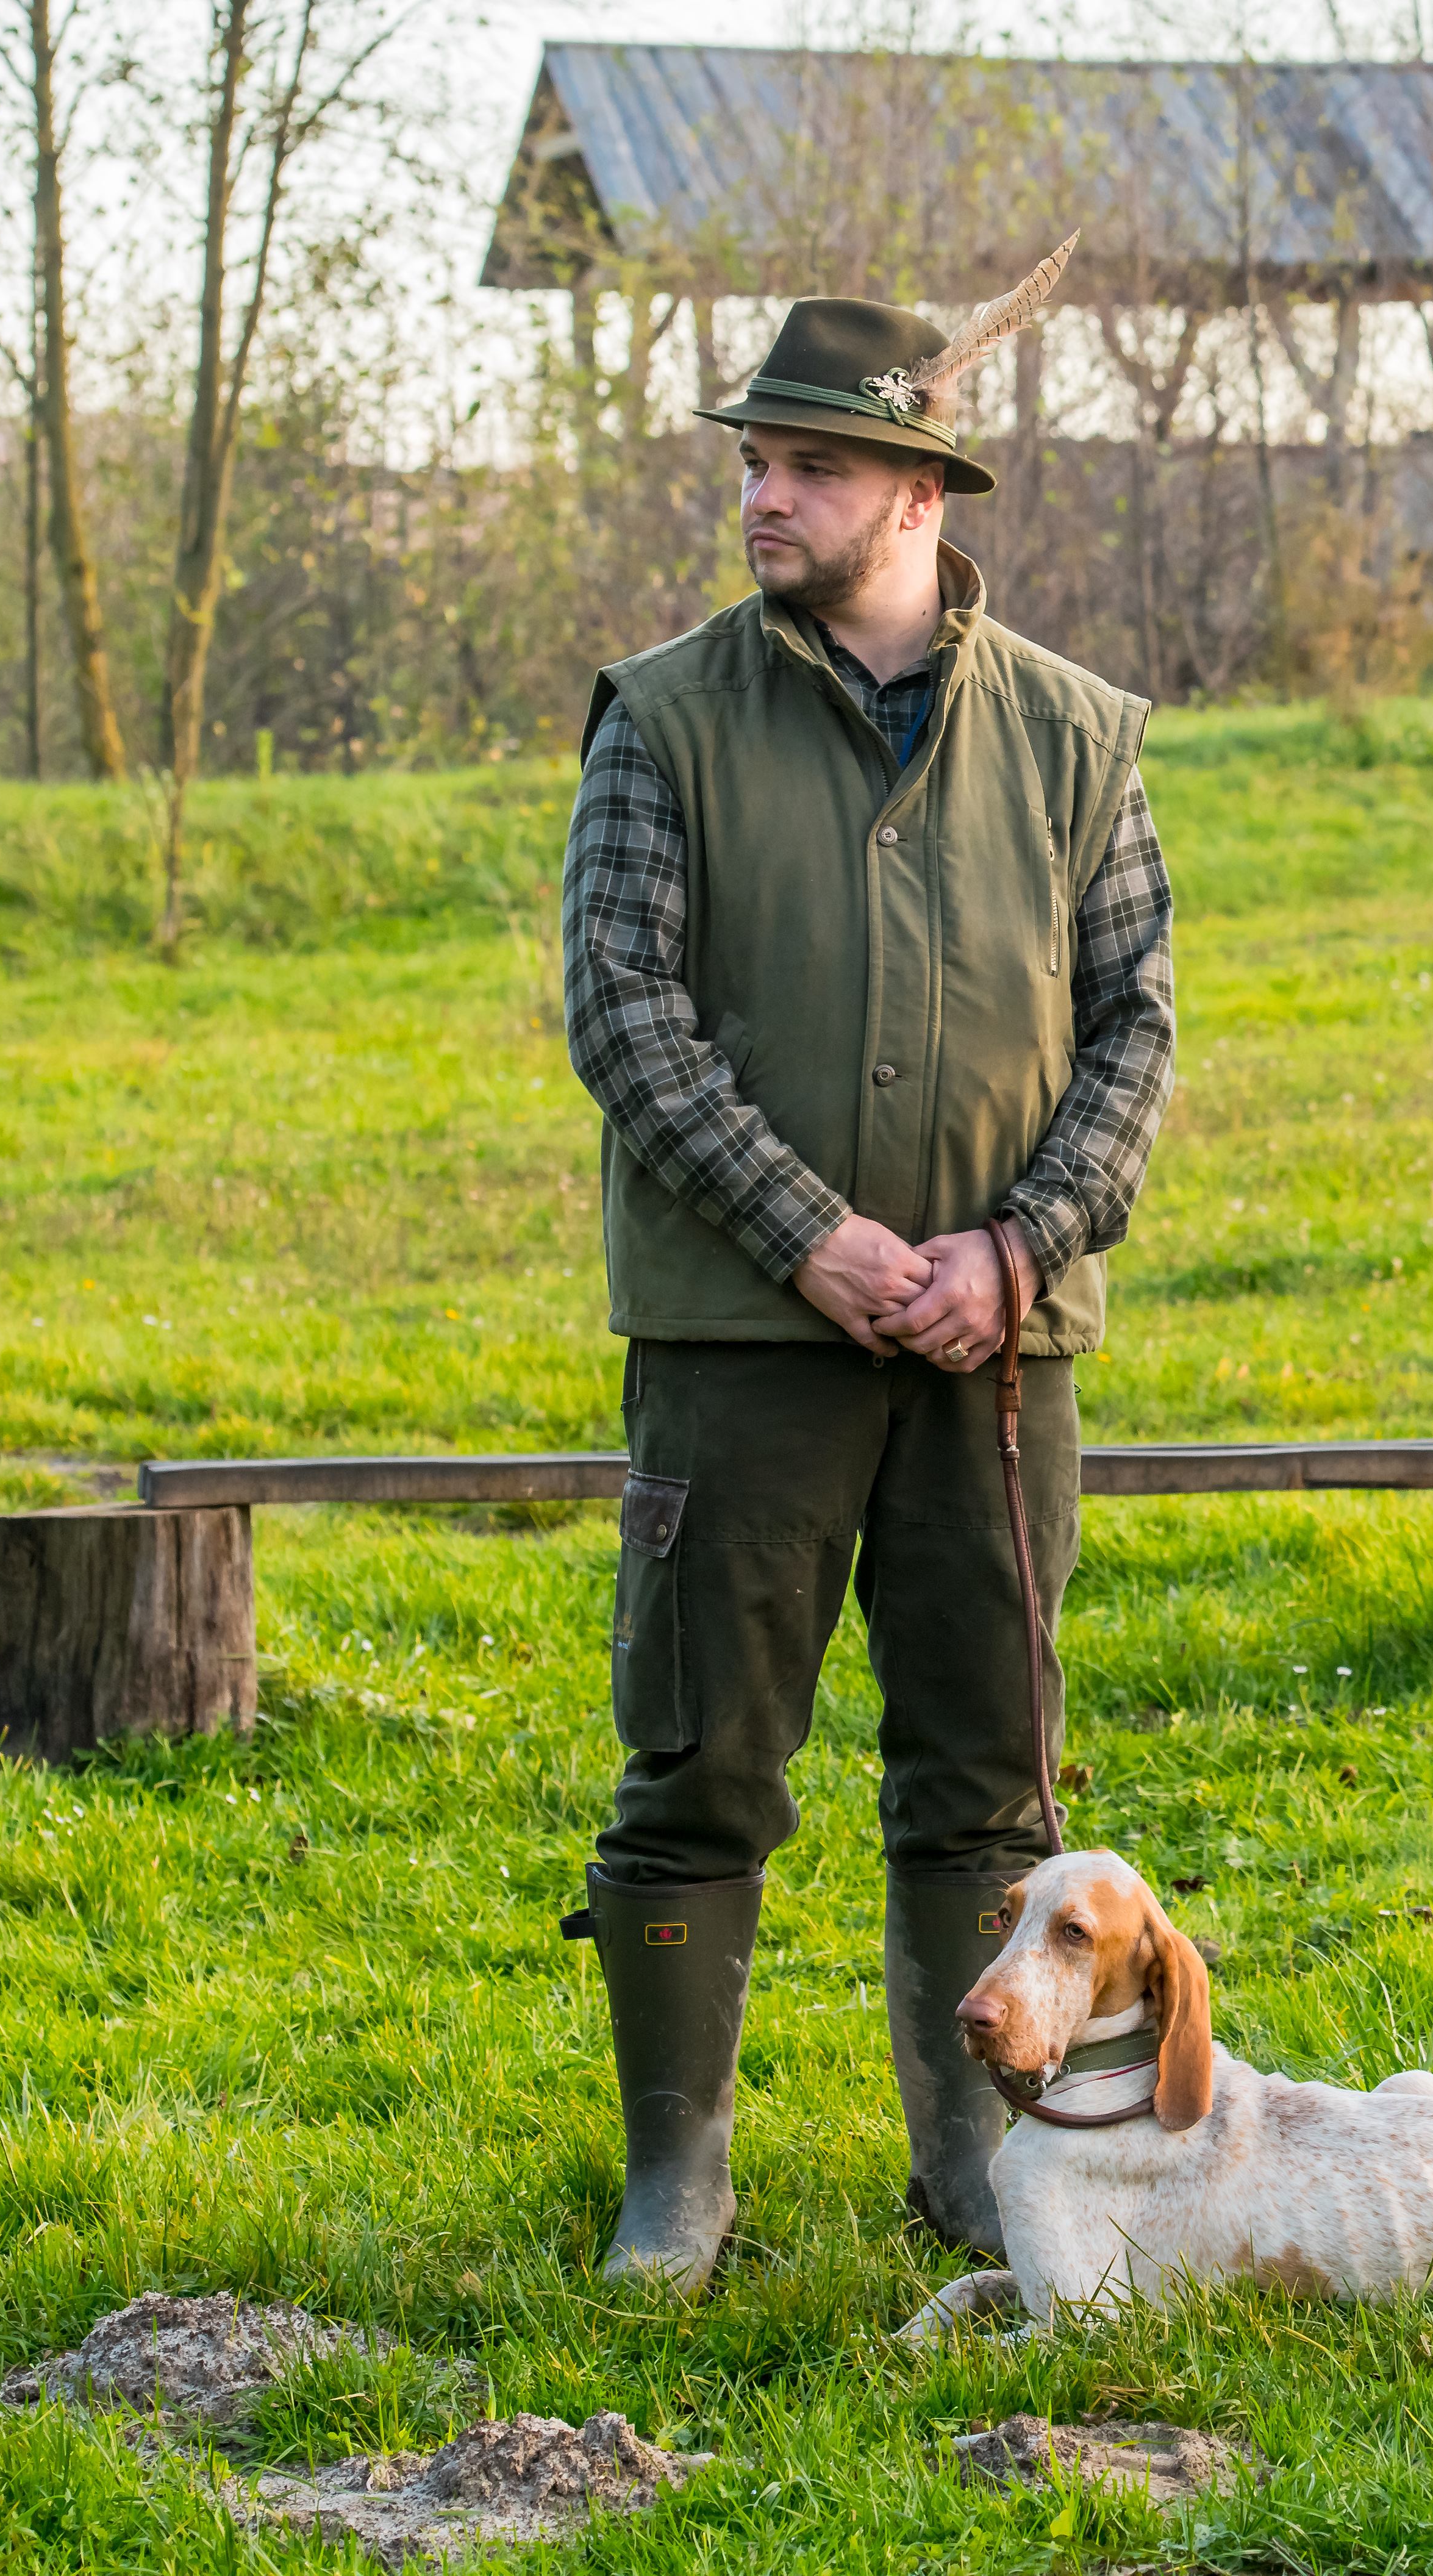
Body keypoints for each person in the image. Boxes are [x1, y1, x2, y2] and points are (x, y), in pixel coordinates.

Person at [554, 265, 1174, 2290]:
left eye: (812, 466)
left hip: (996, 1353)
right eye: (755, 461)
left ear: (920, 491)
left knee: (988, 1766)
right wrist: (808, 1236)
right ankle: (679, 2183)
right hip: (747, 1341)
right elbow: (625, 1014)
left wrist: (1018, 1245)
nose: (764, 497)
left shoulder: (1079, 738)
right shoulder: (663, 717)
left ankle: (972, 2171)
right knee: (701, 1751)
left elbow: (1134, 1030)